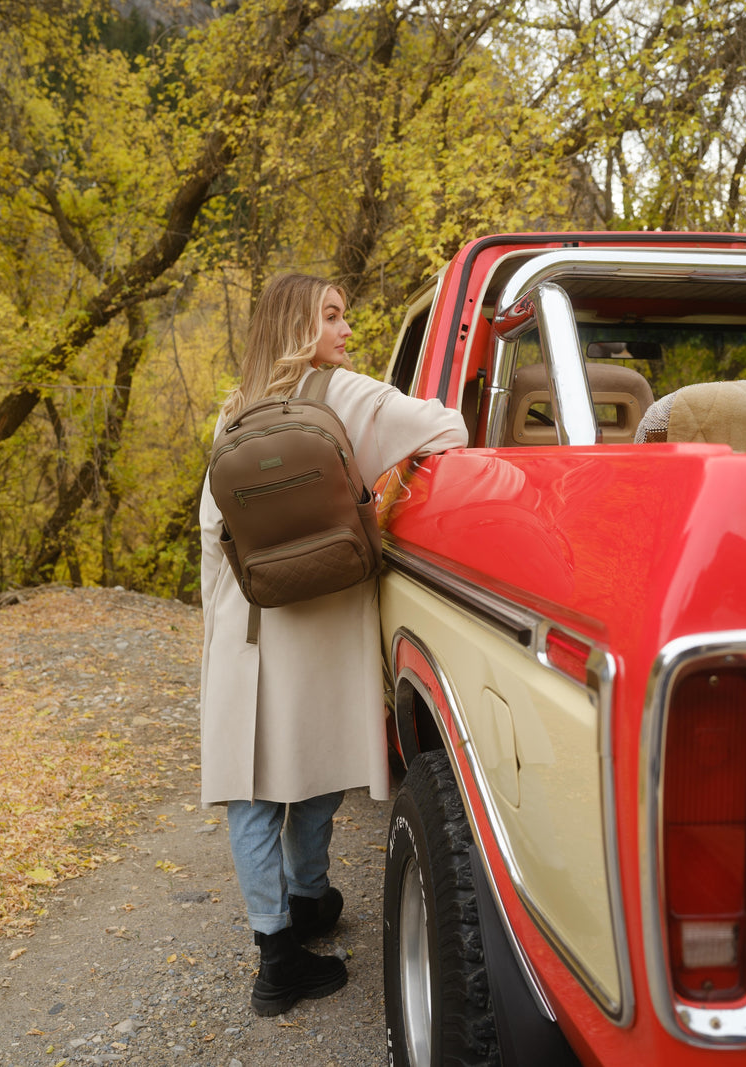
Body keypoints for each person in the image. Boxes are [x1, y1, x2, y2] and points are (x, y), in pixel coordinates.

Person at [199, 273, 468, 1017]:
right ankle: (310, 896)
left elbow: (209, 536)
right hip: (319, 615)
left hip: (245, 619)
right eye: (332, 316)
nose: (347, 330)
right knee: (316, 768)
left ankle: (277, 952)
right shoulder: (344, 396)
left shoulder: (235, 410)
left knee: (251, 791)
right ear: (299, 327)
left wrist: (214, 632)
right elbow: (451, 429)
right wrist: (380, 493)